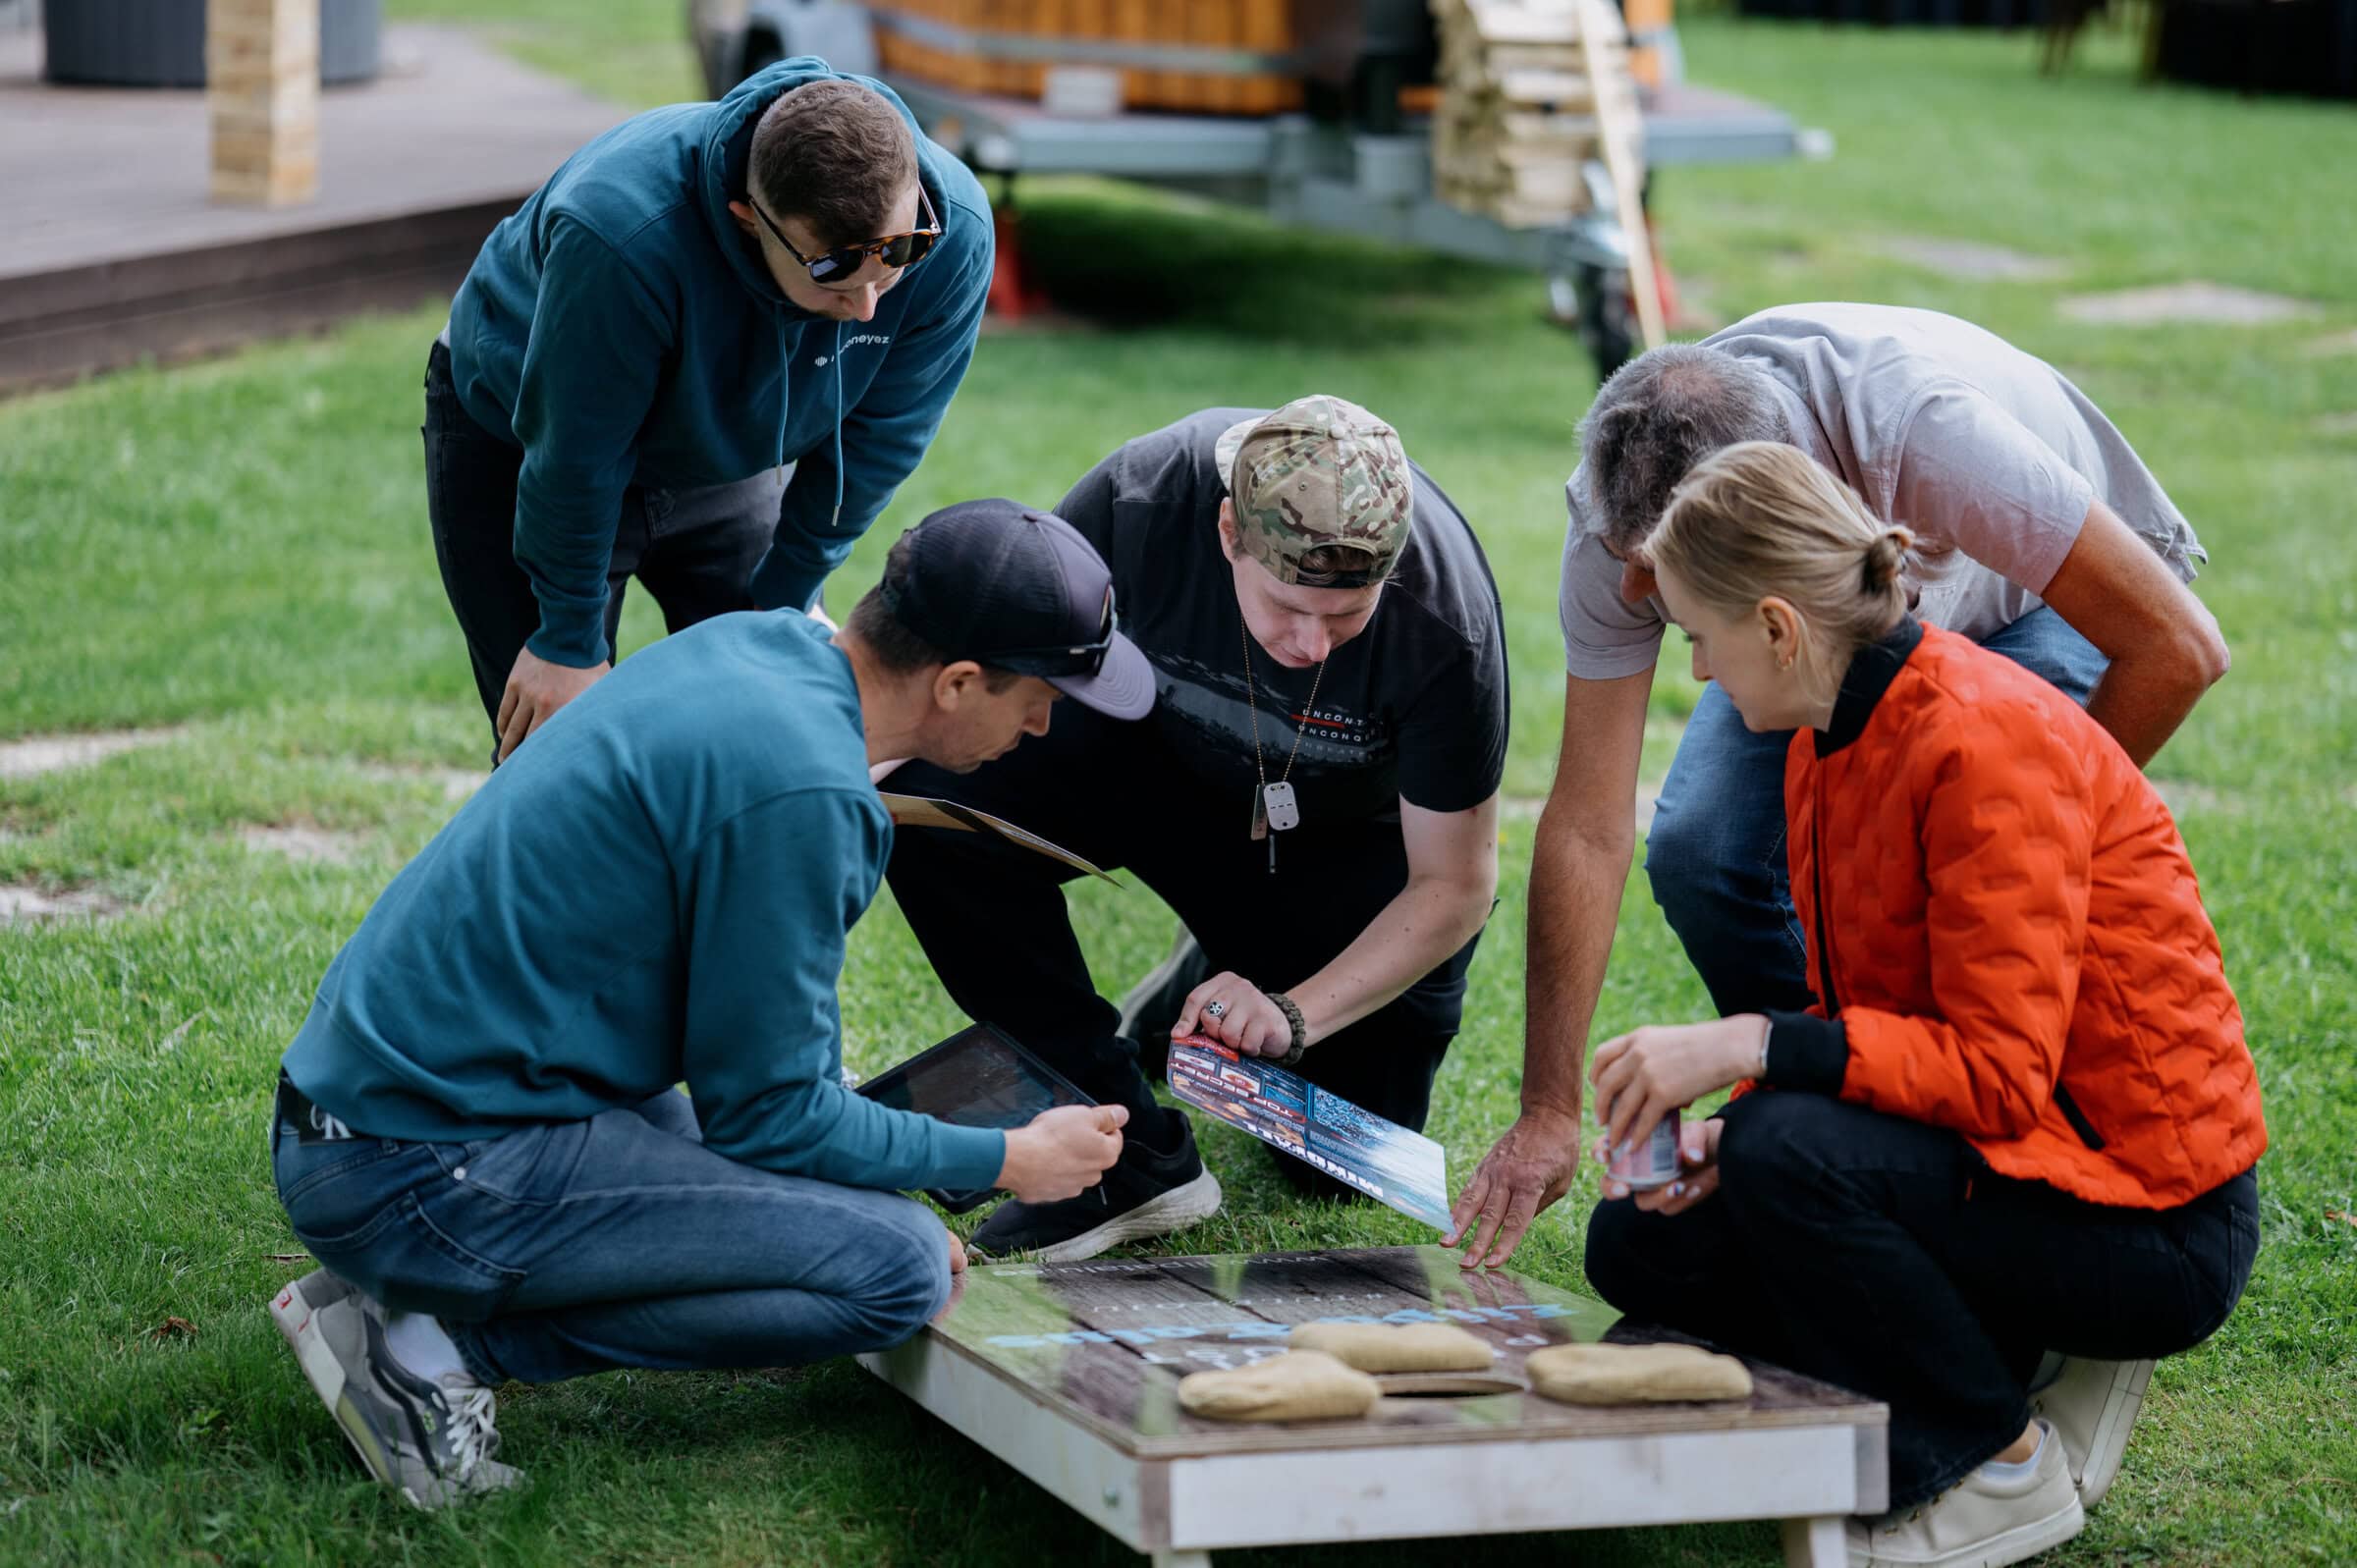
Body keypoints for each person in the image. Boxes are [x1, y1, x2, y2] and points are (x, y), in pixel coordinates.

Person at [265, 500, 1143, 1507]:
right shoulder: (807, 794)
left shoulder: (758, 646)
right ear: (954, 683)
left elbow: (748, 1065)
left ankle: (391, 1297)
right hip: (418, 1163)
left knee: (863, 1212)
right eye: (1040, 696)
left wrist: (875, 1164)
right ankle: (431, 1347)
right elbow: (769, 1113)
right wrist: (1005, 1158)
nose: (1043, 724)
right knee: (896, 1269)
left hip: (385, 1111)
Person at [1572, 443, 2264, 1566]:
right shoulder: (1827, 732)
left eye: (1700, 634)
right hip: (2014, 1160)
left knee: (1788, 1149)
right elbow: (1878, 1025)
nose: (1697, 670)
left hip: (2151, 1216)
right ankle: (1993, 1356)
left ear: (1781, 627)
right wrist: (1727, 1132)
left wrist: (1751, 1050)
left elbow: (1993, 1074)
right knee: (1642, 1247)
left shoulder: (1989, 739)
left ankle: (1992, 1459)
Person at [1452, 301, 2231, 1269]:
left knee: (1957, 894)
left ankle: (1974, 1167)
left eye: (1666, 580)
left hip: (2058, 605)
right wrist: (1547, 1110)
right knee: (1704, 851)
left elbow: (2178, 646)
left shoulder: (1921, 427)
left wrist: (2022, 825)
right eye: (1630, 566)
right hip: (1825, 624)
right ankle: (1843, 1146)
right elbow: (1586, 823)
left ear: (1773, 513)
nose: (1633, 602)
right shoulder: (1620, 513)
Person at [884, 397, 1507, 1263]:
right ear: (1227, 533)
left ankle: (1214, 971)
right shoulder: (1138, 501)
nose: (1315, 643)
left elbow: (1457, 882)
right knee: (929, 809)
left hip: (1339, 847)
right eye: (1289, 606)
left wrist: (1295, 1013)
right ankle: (1127, 1144)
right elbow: (1006, 675)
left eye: (1349, 615)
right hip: (1156, 776)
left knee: (1340, 1157)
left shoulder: (1445, 623)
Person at [426, 59, 994, 762]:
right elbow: (575, 451)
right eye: (832, 272)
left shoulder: (956, 231)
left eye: (898, 253)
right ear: (750, 221)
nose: (867, 306)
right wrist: (567, 638)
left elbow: (884, 433)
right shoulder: (621, 233)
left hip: (723, 446)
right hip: (526, 434)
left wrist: (789, 590)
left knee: (771, 731)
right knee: (562, 757)